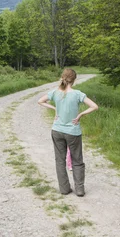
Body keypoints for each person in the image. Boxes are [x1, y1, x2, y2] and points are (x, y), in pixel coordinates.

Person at [37, 68, 98, 196]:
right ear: (74, 80)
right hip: (73, 132)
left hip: (57, 130)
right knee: (77, 160)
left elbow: (40, 101)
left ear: (63, 77)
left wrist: (54, 108)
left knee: (60, 160)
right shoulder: (77, 94)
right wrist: (80, 114)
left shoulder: (54, 92)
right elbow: (94, 106)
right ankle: (79, 189)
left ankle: (64, 189)